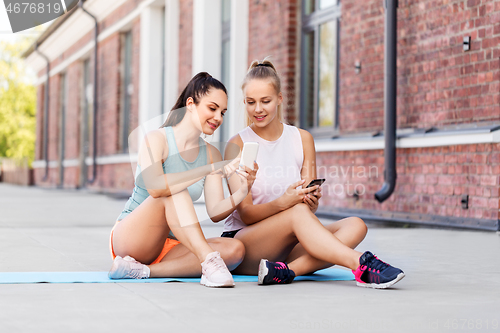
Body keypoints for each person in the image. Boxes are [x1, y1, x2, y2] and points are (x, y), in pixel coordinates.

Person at [222, 59, 405, 289]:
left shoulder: (302, 139)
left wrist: (310, 201)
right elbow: (246, 214)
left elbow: (307, 209)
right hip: (247, 243)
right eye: (251, 102)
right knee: (297, 212)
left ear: (279, 99)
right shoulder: (236, 145)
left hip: (290, 241)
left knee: (356, 225)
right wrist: (285, 203)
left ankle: (287, 271)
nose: (257, 109)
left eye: (265, 101)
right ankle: (361, 263)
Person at [108, 72, 257, 288]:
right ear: (190, 104)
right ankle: (209, 261)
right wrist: (208, 169)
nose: (218, 118)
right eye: (212, 108)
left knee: (235, 250)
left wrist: (242, 191)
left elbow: (215, 211)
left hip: (172, 245)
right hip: (133, 238)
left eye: (222, 112)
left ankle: (141, 271)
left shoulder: (211, 153)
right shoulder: (157, 139)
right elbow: (157, 189)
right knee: (174, 189)